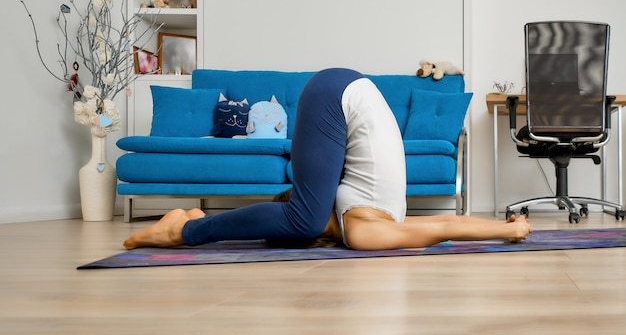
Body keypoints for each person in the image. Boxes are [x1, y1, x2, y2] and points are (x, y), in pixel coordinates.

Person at [124, 68, 532, 251]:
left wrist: (509, 230)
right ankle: (189, 226)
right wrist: (505, 230)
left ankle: (186, 228)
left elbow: (445, 226)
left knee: (304, 214)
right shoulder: (364, 225)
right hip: (342, 93)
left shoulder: (362, 224)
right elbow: (445, 226)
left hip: (339, 95)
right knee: (304, 214)